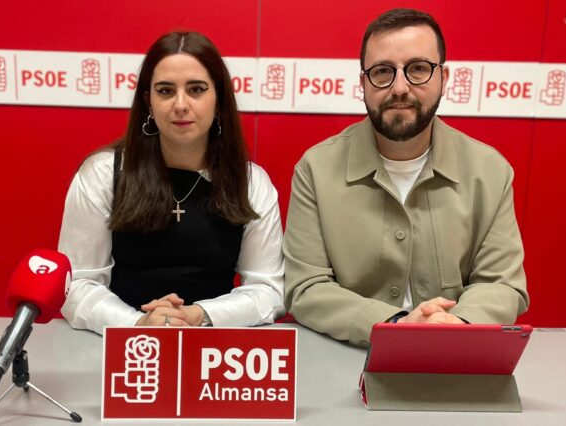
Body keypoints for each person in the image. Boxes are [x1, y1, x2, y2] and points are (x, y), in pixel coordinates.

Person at [283, 8, 529, 347]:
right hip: (351, 352)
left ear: (444, 78)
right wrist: (395, 324)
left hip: (456, 353)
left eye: (418, 69)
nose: (400, 88)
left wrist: (455, 325)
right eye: (383, 71)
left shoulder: (490, 171)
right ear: (363, 84)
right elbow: (306, 287)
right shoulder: (316, 169)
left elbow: (502, 284)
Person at [59, 31, 285, 331]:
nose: (180, 104)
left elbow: (268, 290)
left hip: (212, 346)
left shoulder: (251, 183)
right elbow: (76, 286)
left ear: (219, 100)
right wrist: (138, 322)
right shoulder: (102, 174)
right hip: (119, 344)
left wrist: (197, 315)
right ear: (148, 102)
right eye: (165, 91)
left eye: (196, 89)